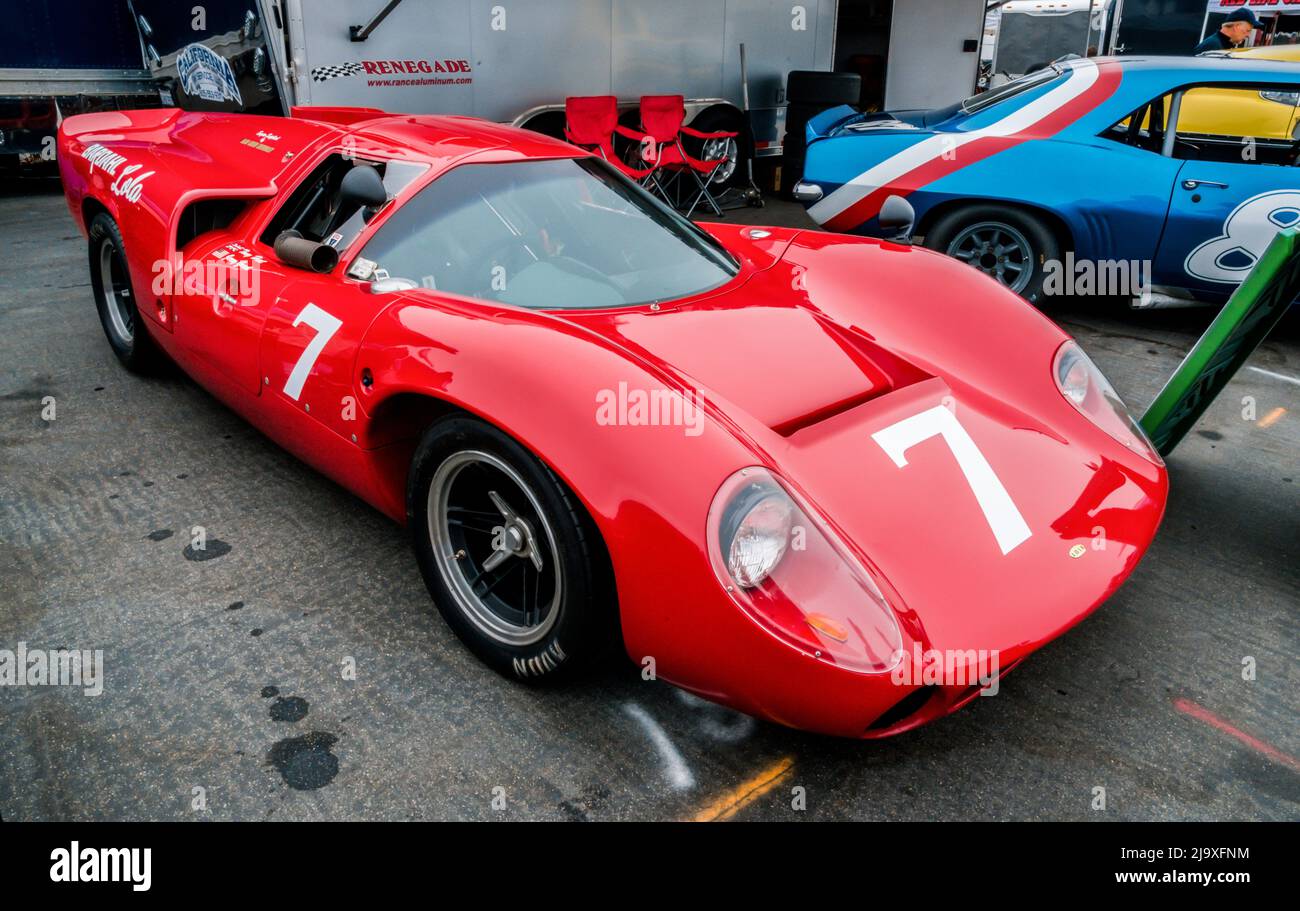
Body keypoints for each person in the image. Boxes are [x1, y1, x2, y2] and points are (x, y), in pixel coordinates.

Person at [1194, 8, 1263, 54]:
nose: (1248, 35)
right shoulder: (1213, 47)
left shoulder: (1221, 44)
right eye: (1248, 30)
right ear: (1236, 27)